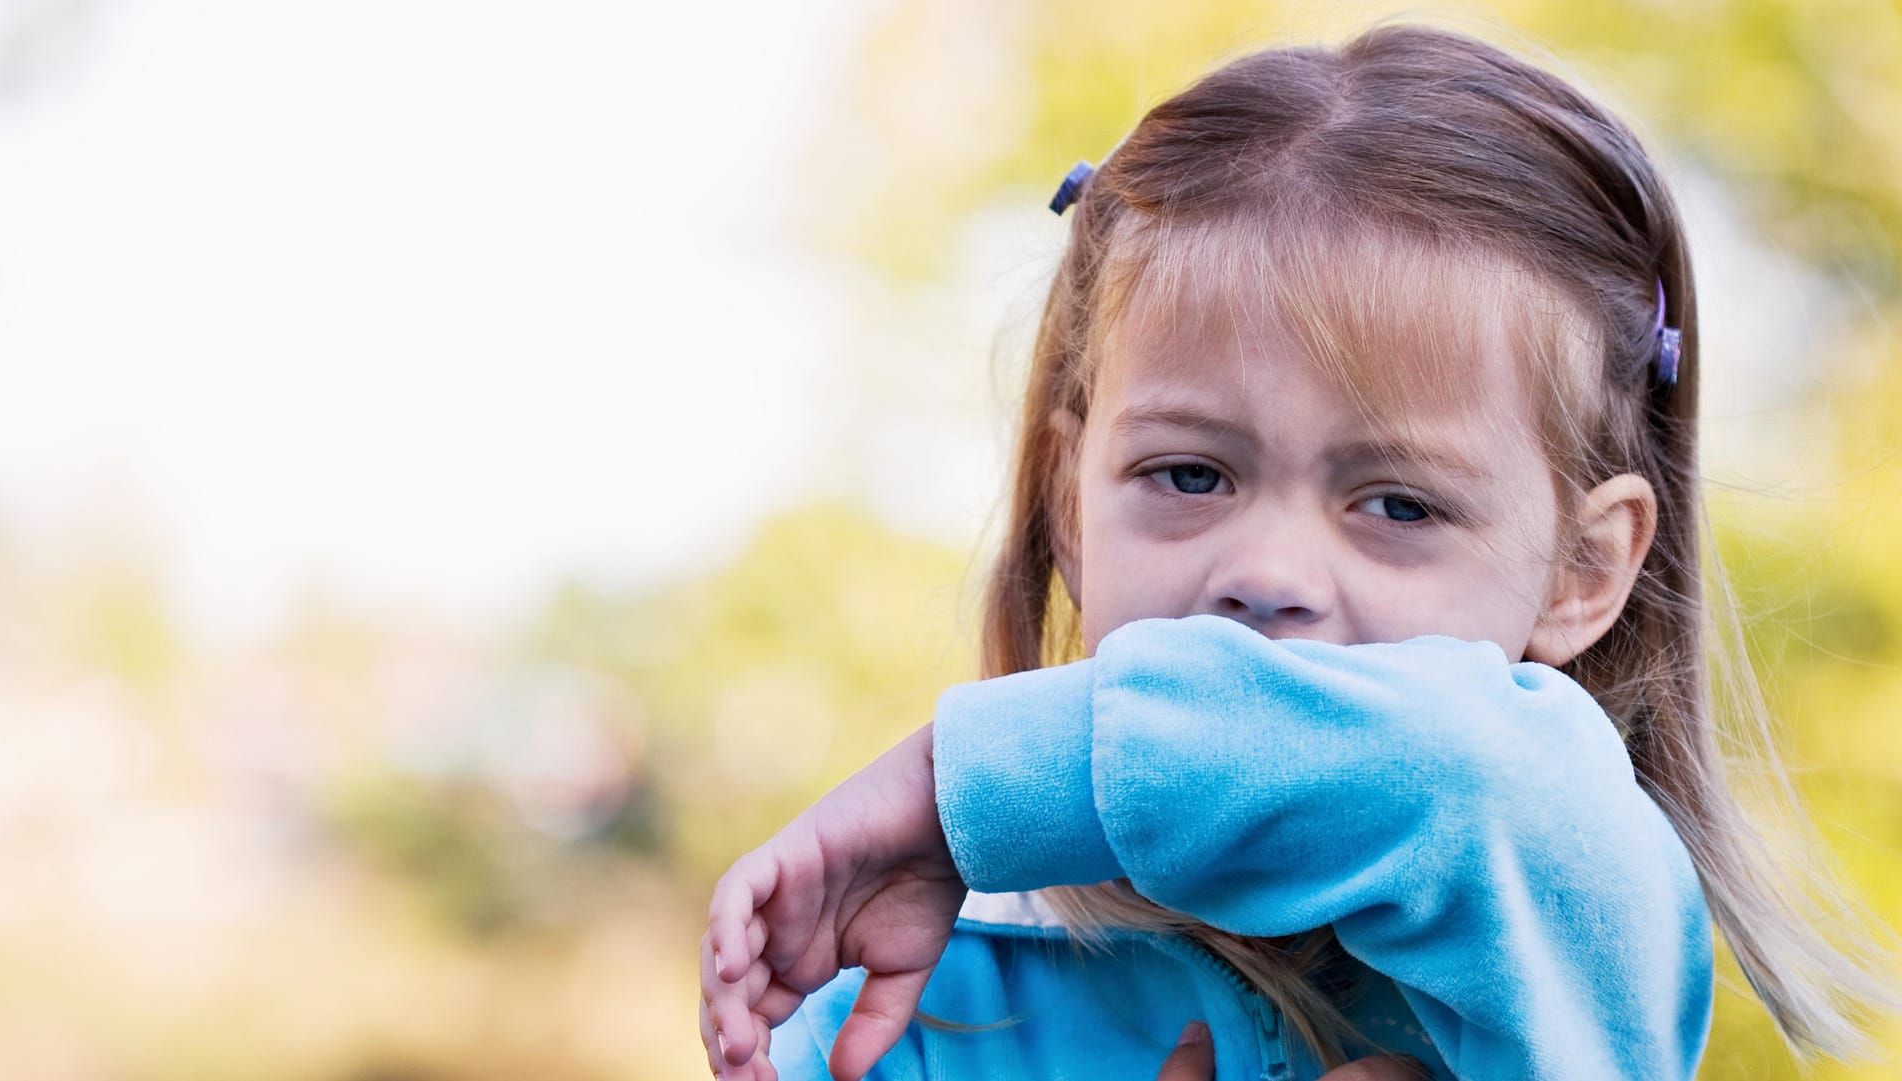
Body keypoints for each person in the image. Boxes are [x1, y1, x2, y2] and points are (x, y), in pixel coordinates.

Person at [698, 23, 1895, 1081]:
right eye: (1190, 475)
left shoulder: (1566, 907)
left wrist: (964, 790)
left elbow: (1475, 769)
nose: (1265, 571)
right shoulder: (912, 1006)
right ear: (1071, 503)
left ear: (1583, 572)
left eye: (1399, 505)